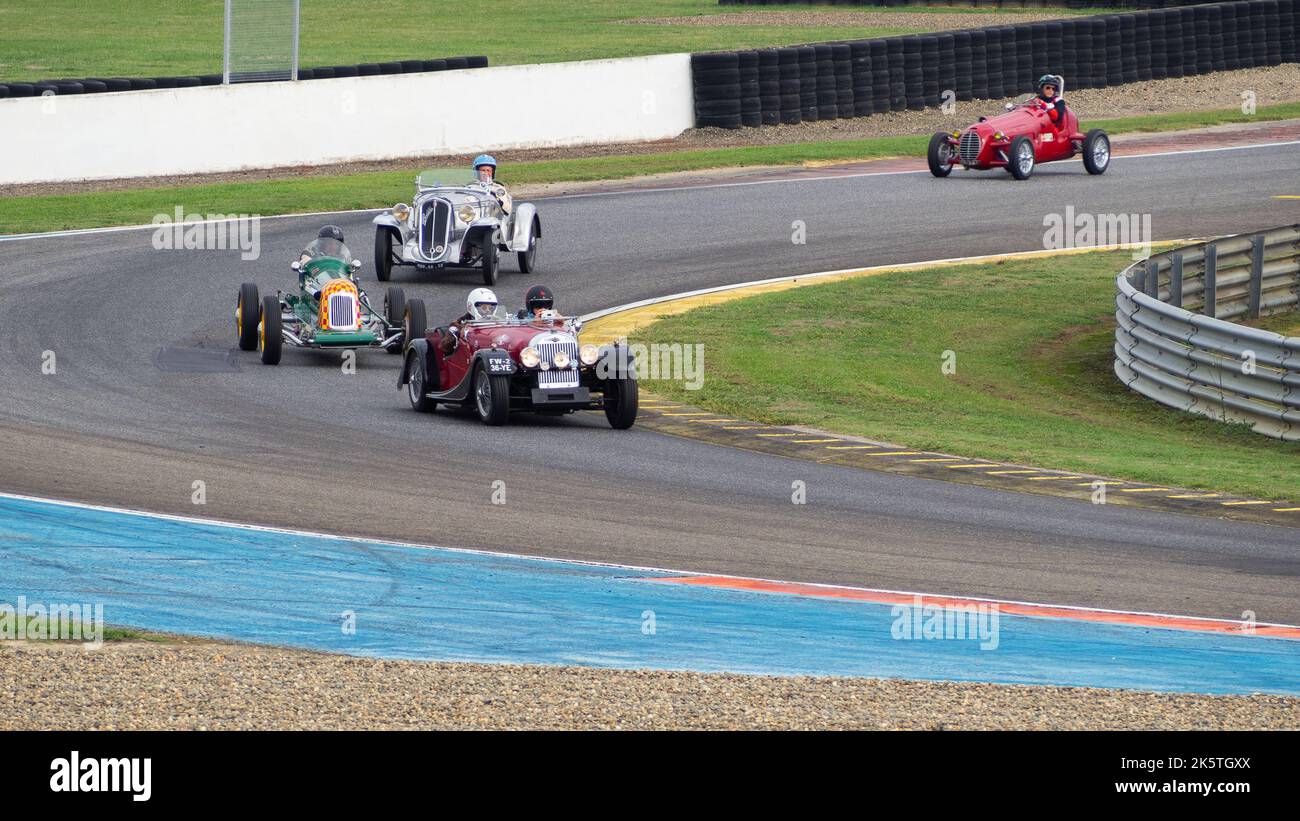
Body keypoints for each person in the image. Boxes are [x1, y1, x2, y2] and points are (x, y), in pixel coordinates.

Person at [440, 287, 499, 354]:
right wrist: (459, 333)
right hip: (470, 357)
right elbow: (444, 347)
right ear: (471, 306)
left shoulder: (499, 322)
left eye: (490, 308)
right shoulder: (457, 326)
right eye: (484, 308)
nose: (488, 311)